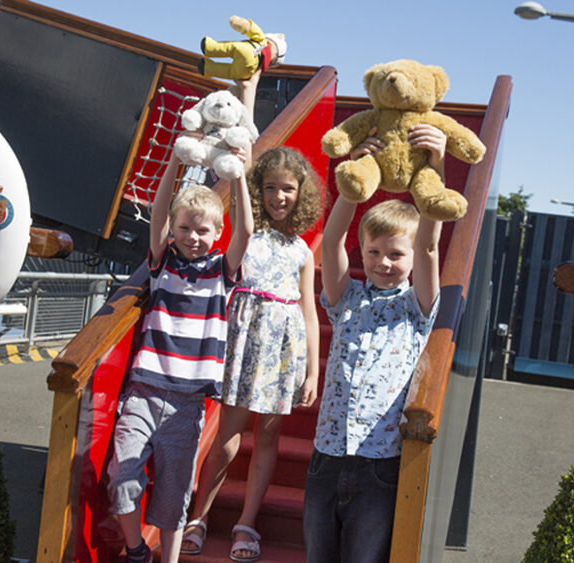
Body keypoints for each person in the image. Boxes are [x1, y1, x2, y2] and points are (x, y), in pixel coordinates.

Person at [303, 124, 449, 563]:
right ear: (362, 252)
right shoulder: (346, 300)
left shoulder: (417, 306)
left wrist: (435, 167)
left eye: (394, 254)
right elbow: (329, 242)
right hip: (327, 458)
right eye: (373, 252)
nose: (384, 262)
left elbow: (427, 246)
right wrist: (355, 179)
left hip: (380, 464)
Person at [106, 139, 253, 563]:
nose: (192, 237)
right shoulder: (163, 262)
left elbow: (246, 231)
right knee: (123, 477)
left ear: (217, 233)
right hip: (145, 391)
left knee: (173, 495)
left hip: (188, 402)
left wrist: (239, 177)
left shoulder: (222, 271)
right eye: (185, 228)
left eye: (203, 230)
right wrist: (175, 158)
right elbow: (158, 214)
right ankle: (137, 550)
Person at [181, 146, 323, 562]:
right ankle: (200, 516)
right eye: (270, 188)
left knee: (269, 435)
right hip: (244, 343)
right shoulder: (246, 236)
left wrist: (312, 371)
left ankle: (247, 522)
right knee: (228, 435)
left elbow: (309, 313)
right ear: (258, 191)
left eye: (289, 189)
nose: (279, 197)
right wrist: (240, 170)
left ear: (302, 194)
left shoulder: (302, 250)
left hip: (283, 351)